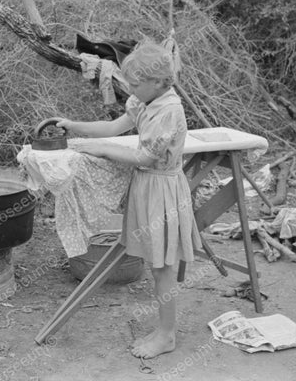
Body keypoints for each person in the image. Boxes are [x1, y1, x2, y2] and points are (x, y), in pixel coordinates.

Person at [57, 42, 201, 359]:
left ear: (161, 82)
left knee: (163, 266)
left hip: (162, 191)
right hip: (147, 188)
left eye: (136, 84)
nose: (131, 89)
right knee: (155, 261)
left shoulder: (169, 111)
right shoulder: (146, 100)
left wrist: (102, 149)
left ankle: (166, 335)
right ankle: (164, 329)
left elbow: (144, 158)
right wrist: (73, 127)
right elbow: (113, 127)